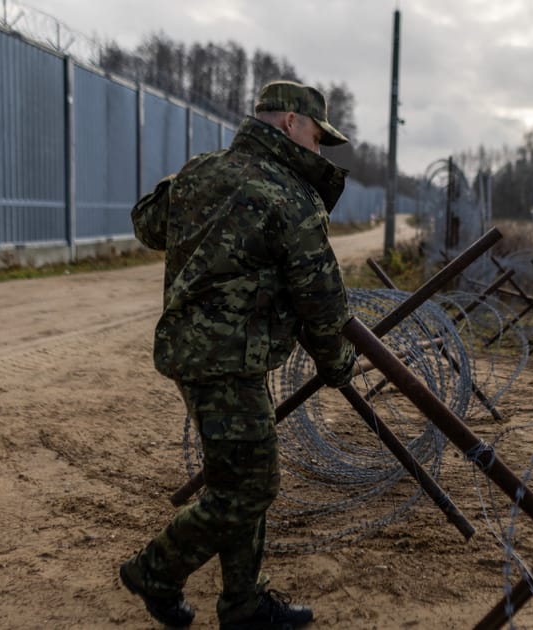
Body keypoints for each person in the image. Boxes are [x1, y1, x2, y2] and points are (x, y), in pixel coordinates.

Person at [120, 80, 357, 630]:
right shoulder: (291, 196)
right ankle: (155, 570)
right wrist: (336, 362)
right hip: (229, 361)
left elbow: (147, 225)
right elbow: (320, 299)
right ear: (290, 124)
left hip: (193, 353)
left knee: (239, 477)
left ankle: (244, 604)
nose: (318, 150)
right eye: (318, 136)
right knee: (252, 484)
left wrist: (190, 193)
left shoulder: (201, 171)